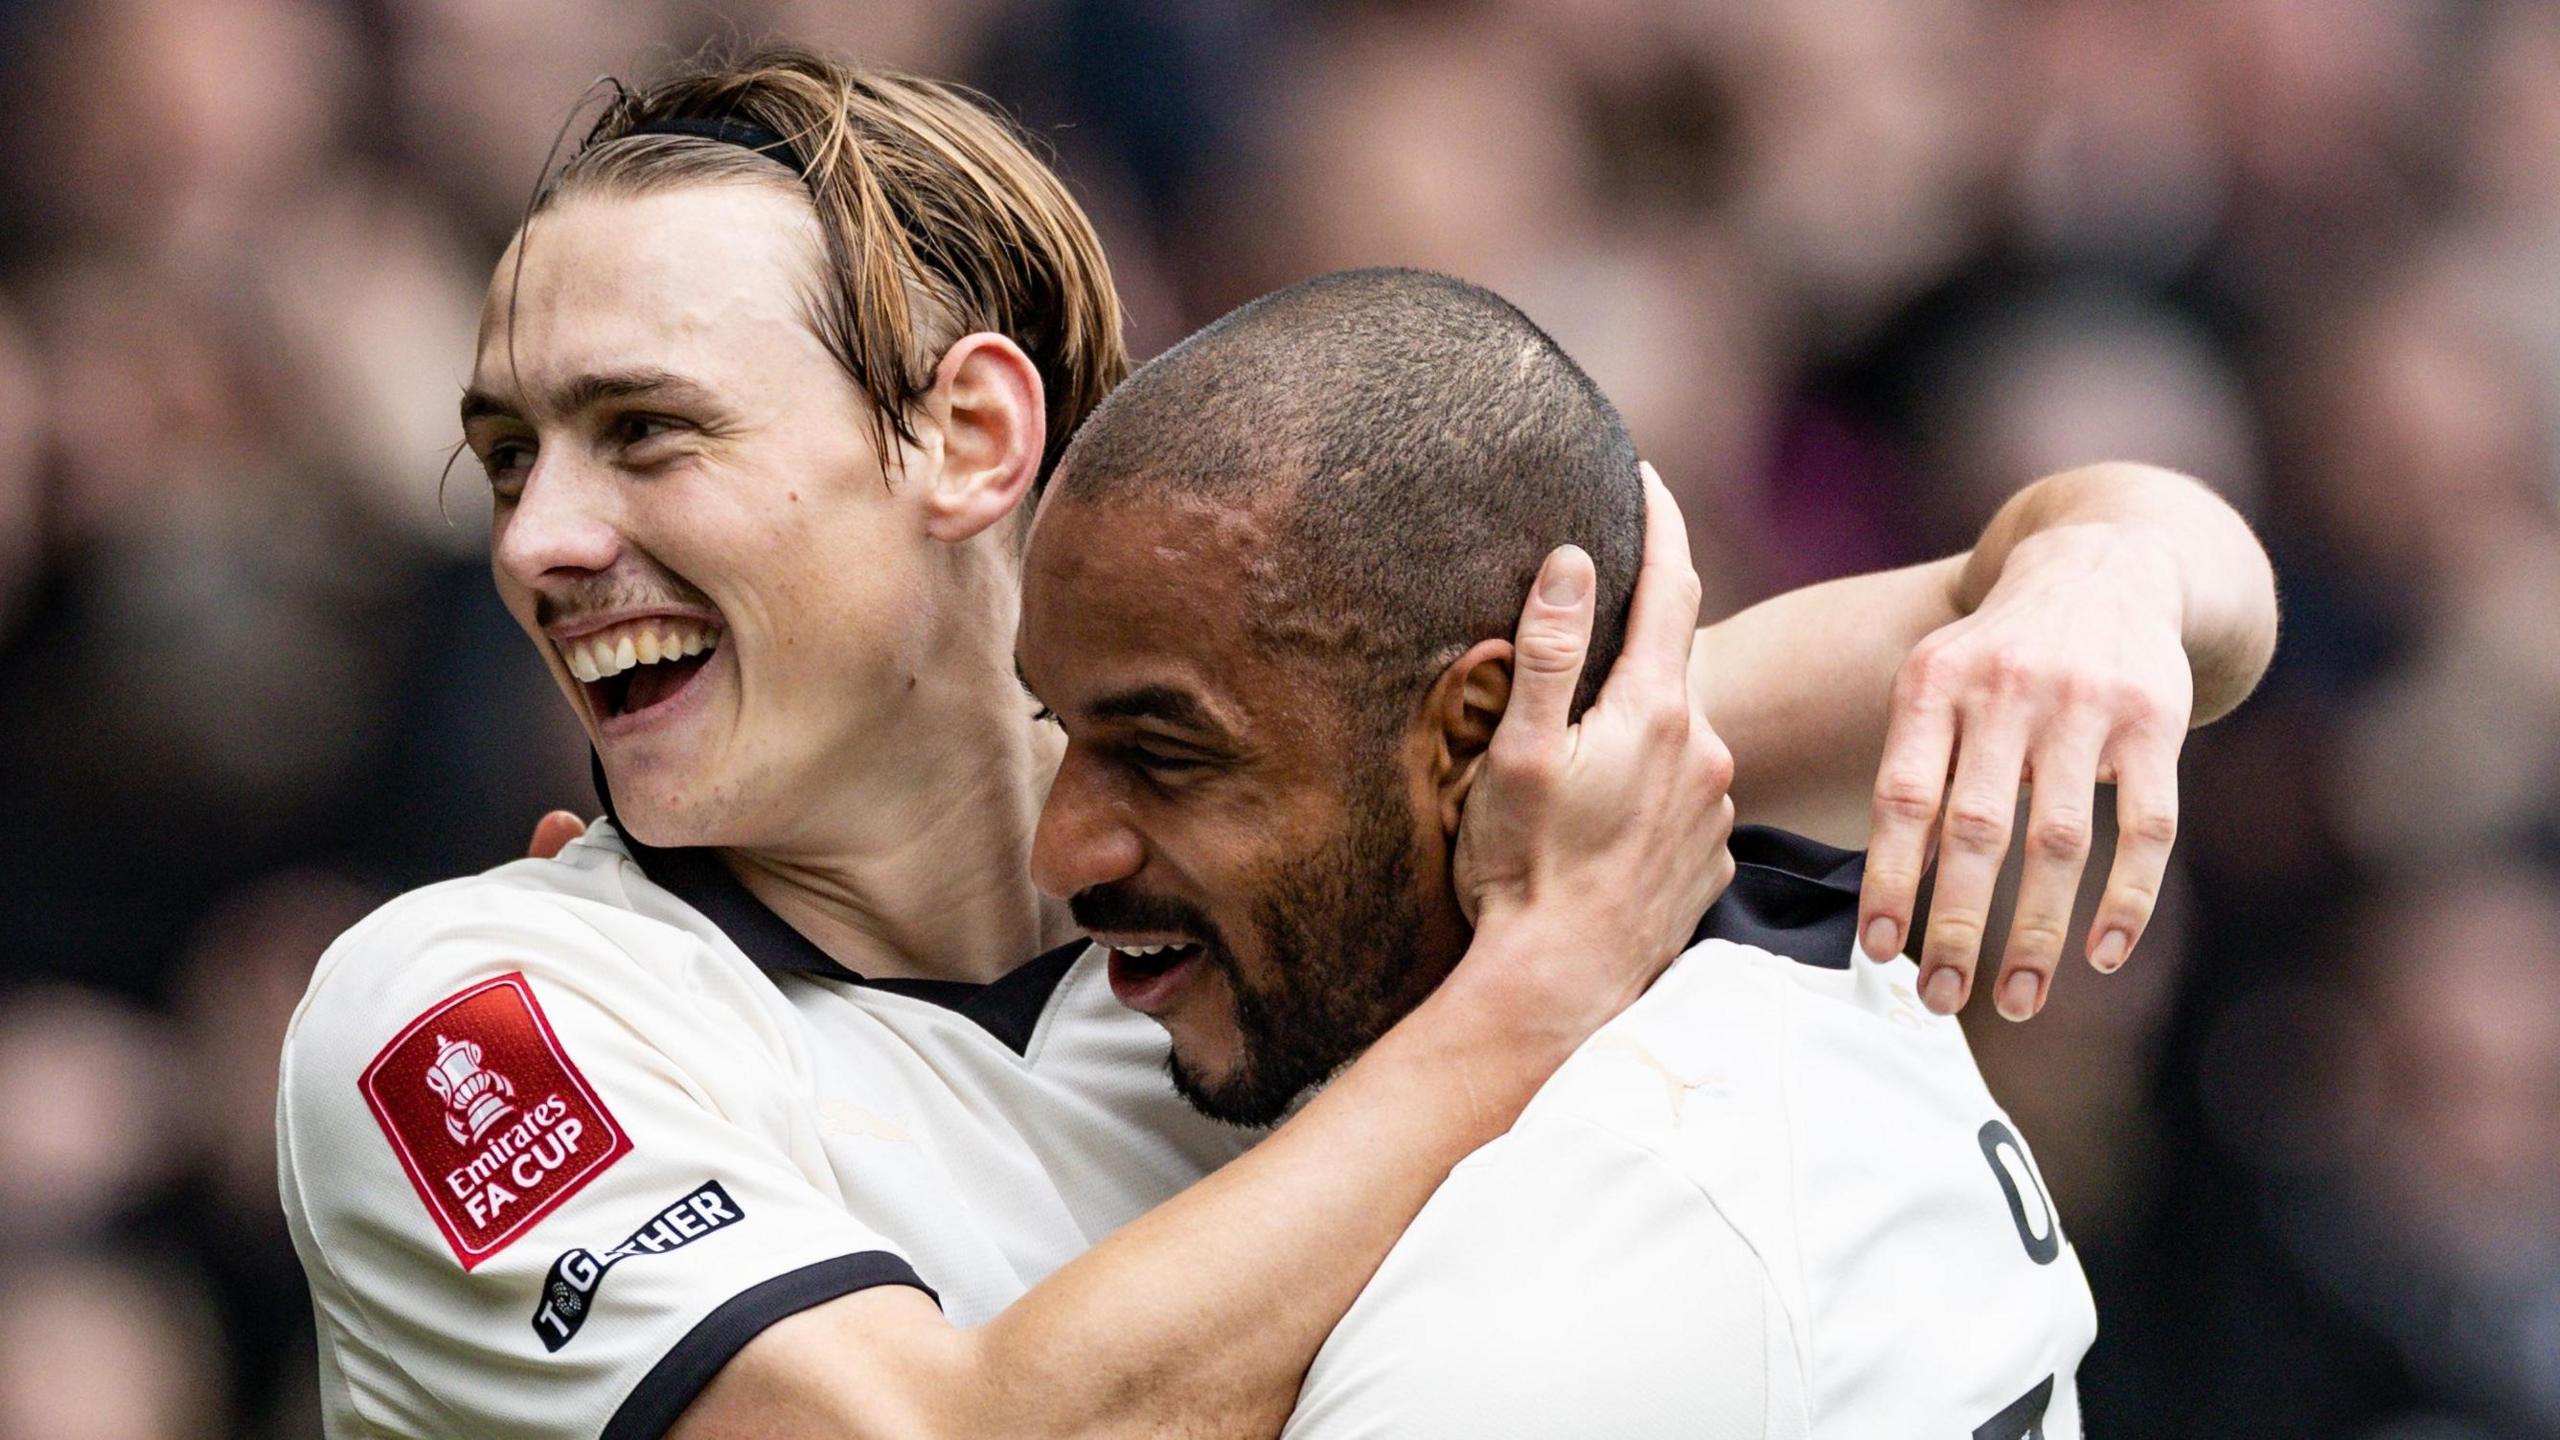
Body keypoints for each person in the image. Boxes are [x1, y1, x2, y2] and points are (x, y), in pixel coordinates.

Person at [281, 44, 2274, 1440]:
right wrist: (1534, 991)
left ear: (967, 437)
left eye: (647, 432)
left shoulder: (1312, 817)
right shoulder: (460, 1020)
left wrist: (2093, 578)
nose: (536, 537)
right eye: (508, 454)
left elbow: (2143, 598)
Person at [1018, 267, 2138, 1436]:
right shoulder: (1750, 980)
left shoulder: (1565, 1306)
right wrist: (2118, 554)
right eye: (1058, 726)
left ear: (1471, 730)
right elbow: (2060, 572)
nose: (1062, 851)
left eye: (1163, 753)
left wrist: (2114, 560)